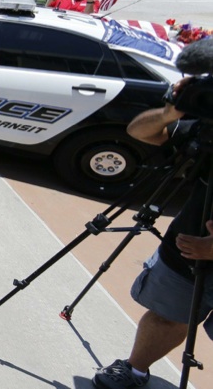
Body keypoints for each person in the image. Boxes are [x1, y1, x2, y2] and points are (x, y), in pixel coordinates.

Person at [92, 78, 210, 389]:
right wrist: (171, 111)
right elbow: (139, 131)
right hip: (187, 247)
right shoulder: (208, 126)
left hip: (201, 247)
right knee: (168, 315)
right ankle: (135, 370)